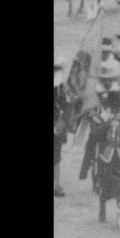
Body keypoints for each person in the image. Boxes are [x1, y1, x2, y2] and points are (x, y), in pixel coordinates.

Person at [81, 91, 120, 223]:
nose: (116, 111)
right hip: (105, 156)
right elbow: (94, 135)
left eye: (118, 108)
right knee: (105, 184)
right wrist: (108, 123)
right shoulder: (101, 118)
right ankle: (102, 210)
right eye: (114, 108)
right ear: (109, 108)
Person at [54, 57, 67, 198]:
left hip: (56, 124)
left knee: (56, 156)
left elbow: (65, 106)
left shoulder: (61, 88)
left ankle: (57, 185)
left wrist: (60, 122)